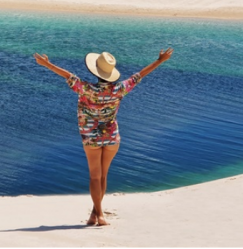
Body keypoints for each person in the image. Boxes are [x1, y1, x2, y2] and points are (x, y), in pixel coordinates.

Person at [33, 48, 174, 226]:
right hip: (111, 136)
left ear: (96, 71)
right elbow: (140, 75)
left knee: (95, 176)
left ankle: (99, 215)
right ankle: (95, 213)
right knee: (103, 176)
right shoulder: (120, 89)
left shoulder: (86, 89)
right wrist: (160, 60)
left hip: (91, 138)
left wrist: (47, 64)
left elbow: (68, 76)